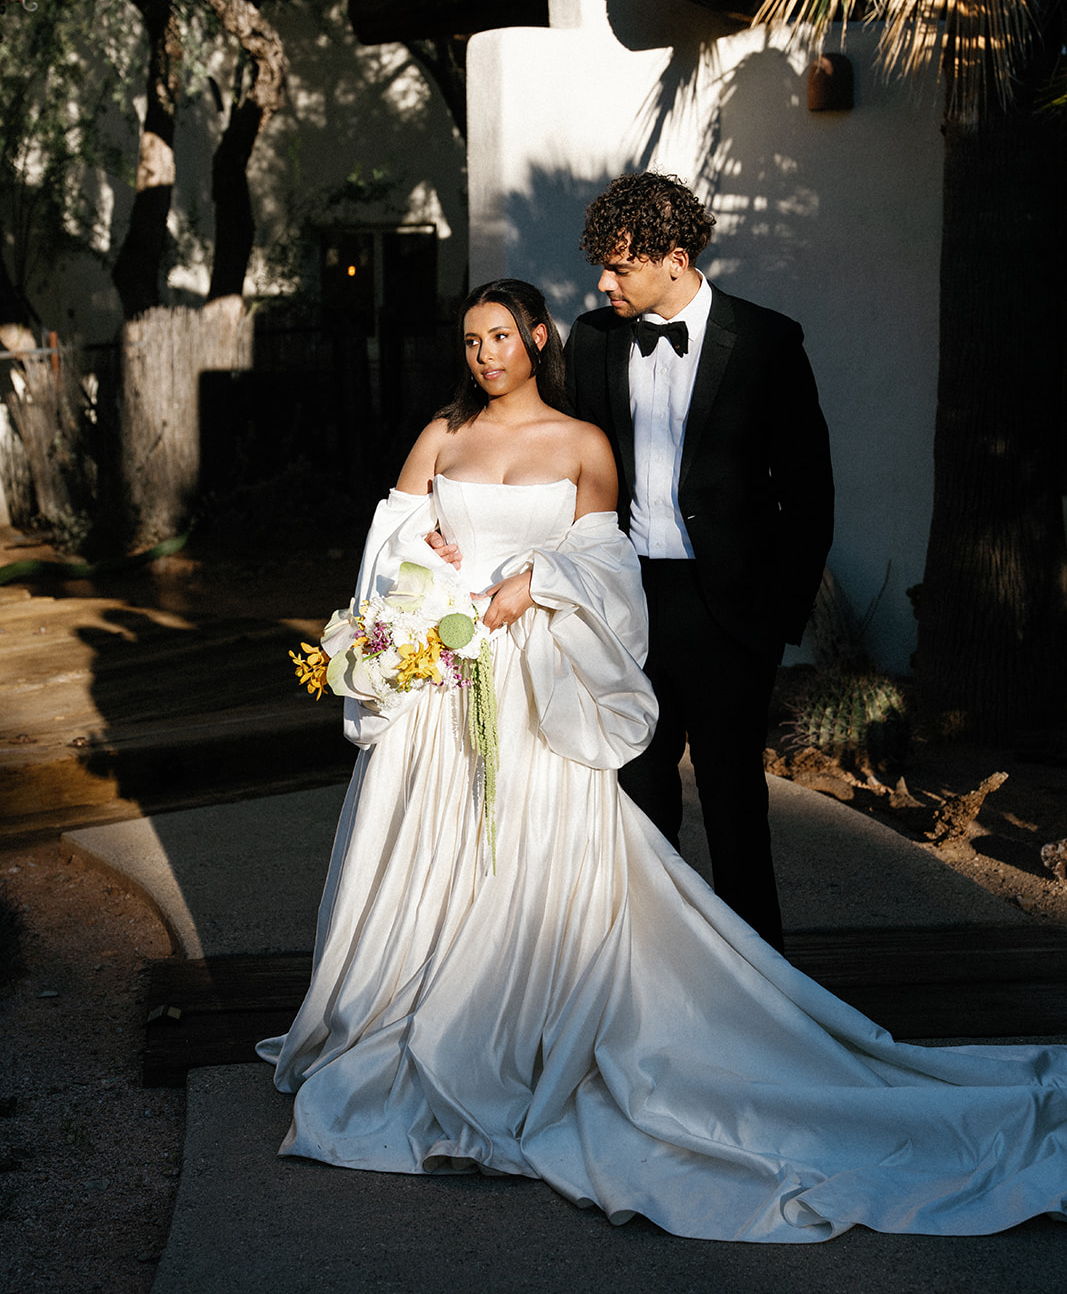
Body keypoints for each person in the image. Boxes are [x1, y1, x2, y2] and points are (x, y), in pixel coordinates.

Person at [258, 278, 1067, 1243]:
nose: (483, 355)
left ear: (537, 339)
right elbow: (387, 549)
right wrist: (426, 571)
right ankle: (414, 1004)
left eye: (500, 336)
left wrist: (536, 579)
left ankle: (532, 1017)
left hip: (536, 683)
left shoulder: (581, 444)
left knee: (555, 847)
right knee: (439, 847)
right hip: (446, 685)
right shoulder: (442, 434)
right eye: (470, 341)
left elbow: (608, 567)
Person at [565, 172, 835, 950]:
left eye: (619, 267)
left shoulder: (766, 341)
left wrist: (773, 622)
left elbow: (808, 493)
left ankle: (759, 984)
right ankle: (654, 971)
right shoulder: (592, 339)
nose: (603, 282)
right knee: (637, 799)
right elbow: (564, 468)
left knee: (733, 805)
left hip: (728, 614)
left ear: (675, 259)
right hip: (626, 601)